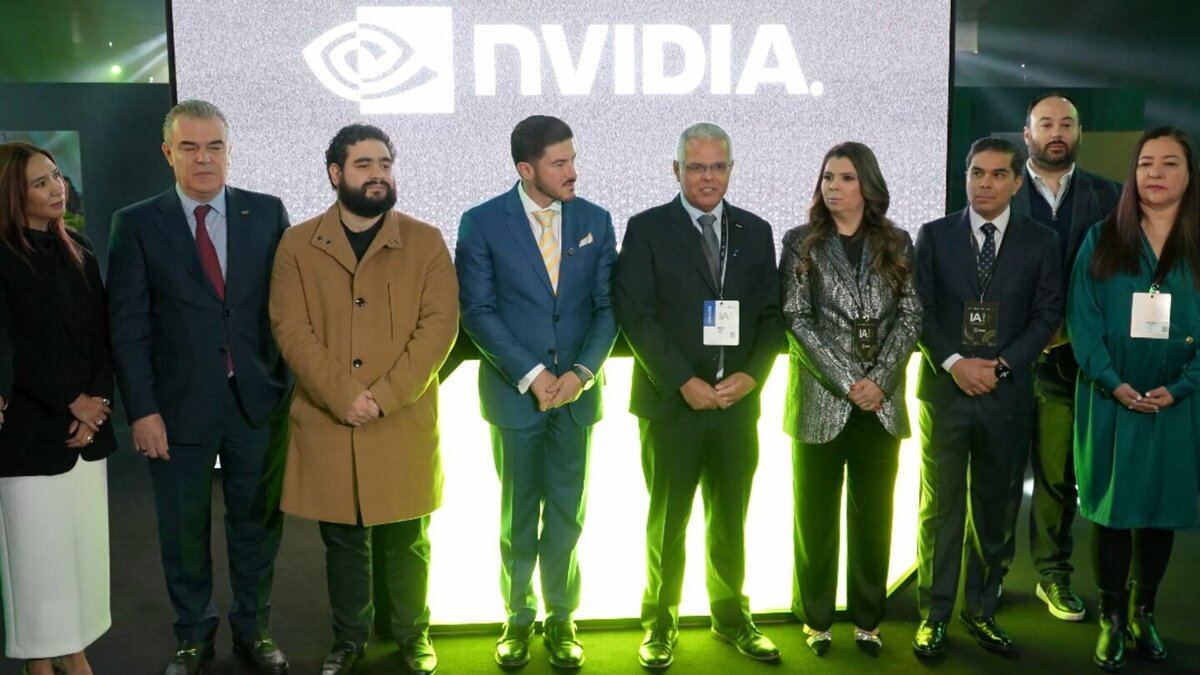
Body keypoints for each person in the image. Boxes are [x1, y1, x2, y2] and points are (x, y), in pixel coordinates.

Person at [107, 100, 291, 675]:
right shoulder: (136, 223)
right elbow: (127, 327)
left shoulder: (267, 213)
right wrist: (142, 411)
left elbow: (288, 309)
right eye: (190, 147)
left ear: (230, 151)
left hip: (256, 402)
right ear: (169, 153)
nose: (203, 158)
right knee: (183, 529)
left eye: (214, 146)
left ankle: (253, 629)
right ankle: (193, 635)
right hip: (175, 410)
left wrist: (285, 386)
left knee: (256, 525)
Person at [270, 124, 458, 675]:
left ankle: (413, 634)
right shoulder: (297, 244)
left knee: (409, 539)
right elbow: (291, 329)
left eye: (385, 164)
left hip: (401, 417)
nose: (378, 174)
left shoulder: (425, 240)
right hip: (332, 420)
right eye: (364, 164)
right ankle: (349, 640)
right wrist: (343, 396)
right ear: (335, 173)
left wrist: (384, 397)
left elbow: (439, 327)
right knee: (344, 542)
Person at [615, 122, 785, 669]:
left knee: (731, 517)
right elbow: (635, 316)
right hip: (671, 405)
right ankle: (660, 623)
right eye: (696, 167)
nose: (707, 177)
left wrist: (753, 376)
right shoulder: (646, 229)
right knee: (668, 522)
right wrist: (682, 381)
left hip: (736, 405)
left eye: (717, 167)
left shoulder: (756, 231)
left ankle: (731, 617)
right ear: (676, 170)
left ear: (731, 169)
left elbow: (771, 316)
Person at [456, 115, 617, 669]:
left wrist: (581, 374)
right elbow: (477, 311)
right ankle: (518, 615)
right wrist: (532, 374)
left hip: (576, 398)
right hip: (515, 396)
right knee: (518, 514)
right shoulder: (481, 223)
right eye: (559, 163)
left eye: (573, 158)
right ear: (526, 170)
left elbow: (607, 308)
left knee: (568, 513)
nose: (573, 171)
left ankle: (562, 617)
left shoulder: (596, 219)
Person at [911, 137, 1062, 657]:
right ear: (966, 177)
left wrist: (999, 366)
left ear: (1018, 183)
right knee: (939, 509)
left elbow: (1047, 314)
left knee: (995, 509)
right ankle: (934, 615)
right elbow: (920, 308)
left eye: (998, 175)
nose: (985, 183)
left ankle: (981, 609)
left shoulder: (1041, 241)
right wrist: (955, 363)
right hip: (945, 391)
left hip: (1006, 394)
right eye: (977, 172)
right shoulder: (933, 235)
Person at [779, 142, 921, 656]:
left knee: (874, 517)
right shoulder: (801, 243)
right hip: (820, 399)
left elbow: (912, 315)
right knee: (814, 517)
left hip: (880, 405)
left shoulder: (897, 242)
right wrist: (848, 380)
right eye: (827, 178)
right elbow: (796, 318)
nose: (833, 187)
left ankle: (868, 620)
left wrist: (879, 380)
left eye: (844, 178)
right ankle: (816, 619)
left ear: (867, 185)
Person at [1067, 127, 1200, 672]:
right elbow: (1082, 320)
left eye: (1169, 163)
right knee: (1113, 511)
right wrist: (1111, 380)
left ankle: (1145, 613)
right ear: (1133, 173)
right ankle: (1112, 618)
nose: (1155, 173)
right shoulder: (1102, 239)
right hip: (1111, 398)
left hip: (1178, 403)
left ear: (1189, 175)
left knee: (1160, 511)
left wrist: (1183, 386)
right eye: (1146, 163)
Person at [999, 93, 1121, 621]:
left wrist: (1071, 330)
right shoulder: (998, 187)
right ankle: (989, 575)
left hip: (1069, 361)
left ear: (1078, 133)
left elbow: (1114, 279)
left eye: (1066, 123)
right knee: (999, 474)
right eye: (1045, 123)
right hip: (1004, 359)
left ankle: (1052, 574)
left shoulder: (1110, 196)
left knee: (1056, 477)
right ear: (1026, 134)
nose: (1057, 132)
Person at [0, 142, 115, 675]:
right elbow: (13, 349)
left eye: (56, 175)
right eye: (41, 182)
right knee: (37, 559)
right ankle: (39, 661)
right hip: (29, 434)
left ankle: (75, 651)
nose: (57, 188)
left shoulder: (80, 247)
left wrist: (95, 406)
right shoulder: (4, 256)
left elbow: (100, 336)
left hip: (86, 432)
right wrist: (71, 400)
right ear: (12, 194)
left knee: (82, 552)